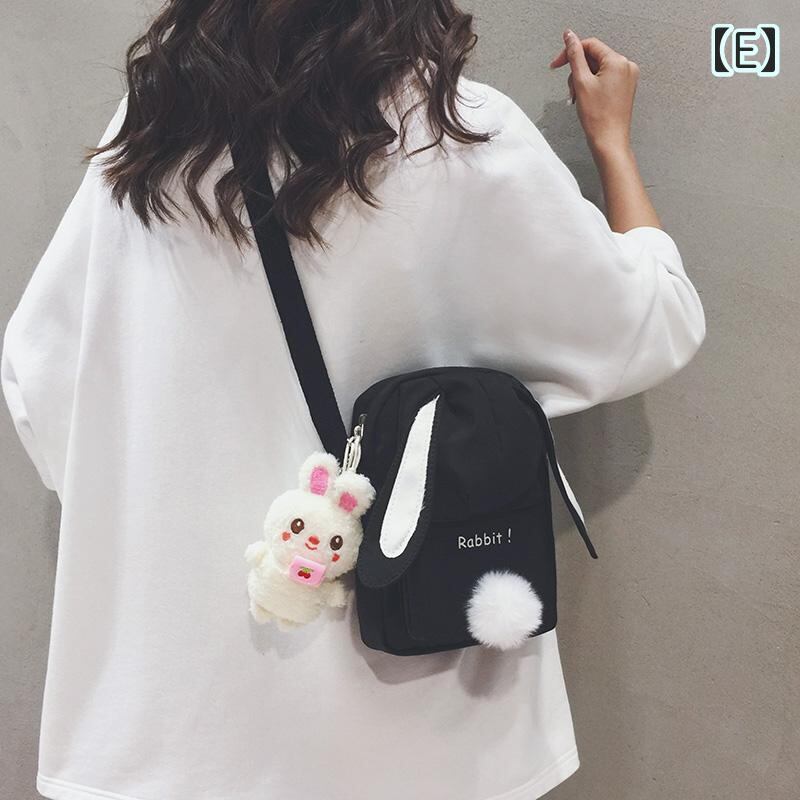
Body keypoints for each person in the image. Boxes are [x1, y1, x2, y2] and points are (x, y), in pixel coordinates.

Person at [1, 1, 705, 798]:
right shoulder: (460, 134)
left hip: (178, 717)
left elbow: (40, 381)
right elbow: (654, 324)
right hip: (414, 709)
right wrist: (611, 142)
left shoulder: (153, 132)